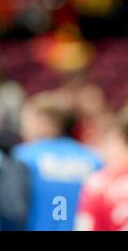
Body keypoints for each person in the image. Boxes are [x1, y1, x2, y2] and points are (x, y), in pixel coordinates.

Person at [11, 91, 103, 231]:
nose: (23, 128)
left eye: (27, 120)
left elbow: (11, 209)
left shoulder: (23, 156)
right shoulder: (94, 159)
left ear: (45, 122)